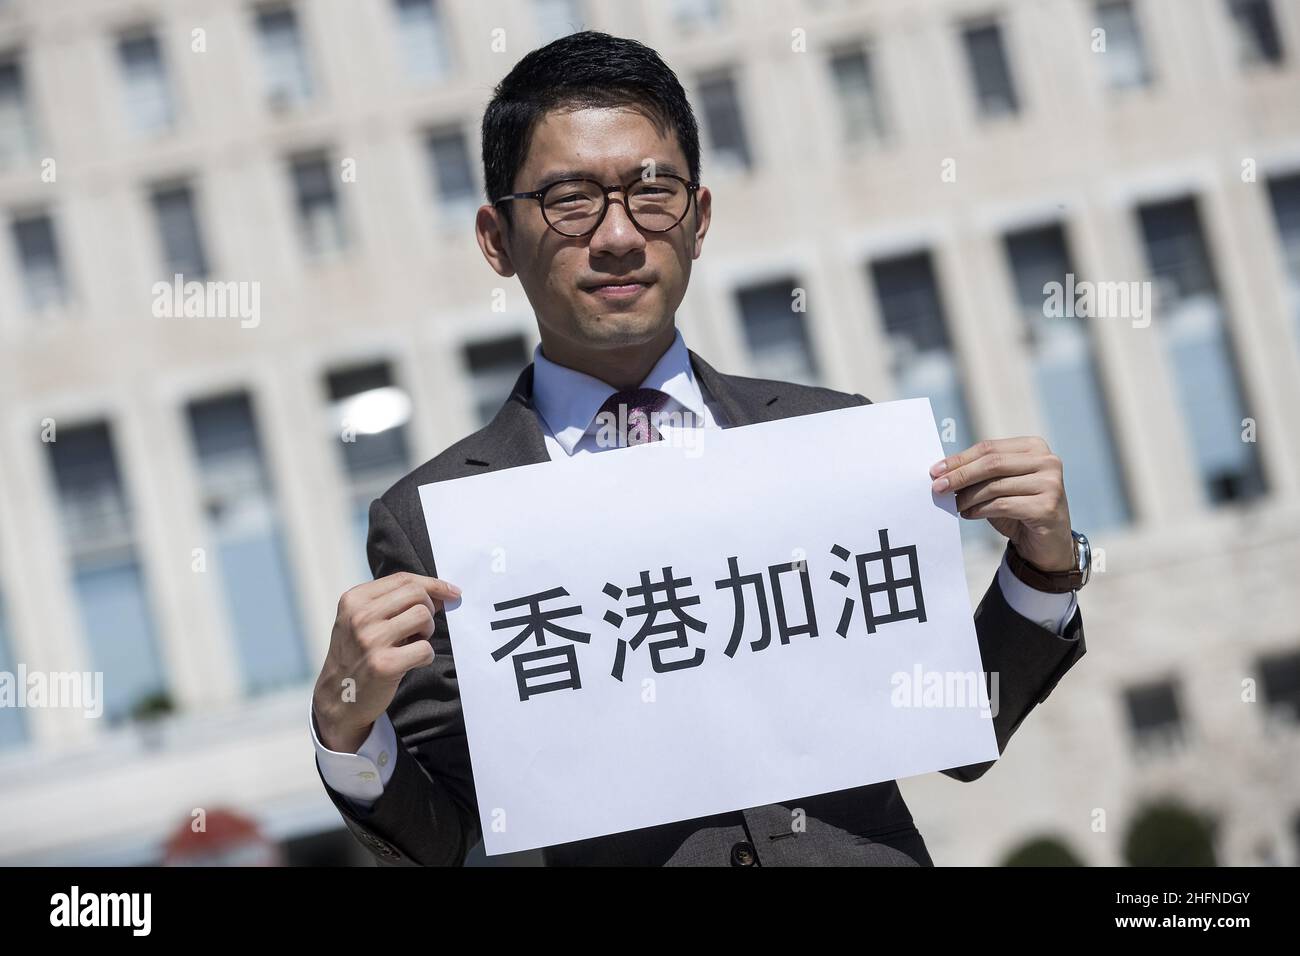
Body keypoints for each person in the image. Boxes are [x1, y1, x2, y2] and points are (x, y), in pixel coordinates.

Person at [309, 31, 1088, 866]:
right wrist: (345, 723)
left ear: (699, 217)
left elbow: (956, 733)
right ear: (497, 237)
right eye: (571, 199)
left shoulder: (829, 442)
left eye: (652, 192)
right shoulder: (434, 524)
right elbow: (458, 836)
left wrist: (1041, 574)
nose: (616, 235)